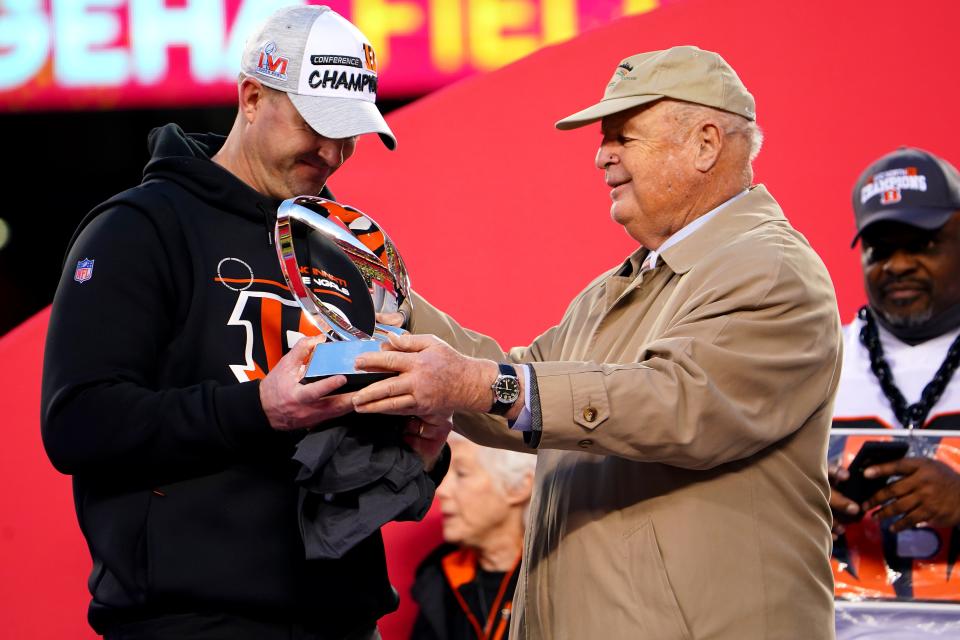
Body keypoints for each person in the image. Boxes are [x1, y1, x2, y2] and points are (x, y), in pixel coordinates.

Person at [352, 46, 842, 638]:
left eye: (622, 136)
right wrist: (385, 301)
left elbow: (676, 403)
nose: (601, 155)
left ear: (706, 144)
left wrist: (485, 382)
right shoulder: (617, 288)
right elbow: (515, 387)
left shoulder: (772, 268)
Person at [41, 6, 449, 639]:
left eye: (350, 131)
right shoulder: (138, 228)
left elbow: (339, 456)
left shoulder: (341, 245)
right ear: (252, 97)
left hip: (345, 618)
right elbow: (77, 423)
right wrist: (258, 407)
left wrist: (418, 455)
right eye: (317, 123)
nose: (332, 151)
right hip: (194, 621)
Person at [829, 147, 960, 633]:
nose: (898, 265)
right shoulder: (812, 365)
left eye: (922, 244)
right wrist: (798, 505)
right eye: (880, 249)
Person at [410, 434, 535, 640]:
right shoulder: (439, 580)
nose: (441, 491)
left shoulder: (555, 581)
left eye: (461, 473)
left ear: (519, 486)